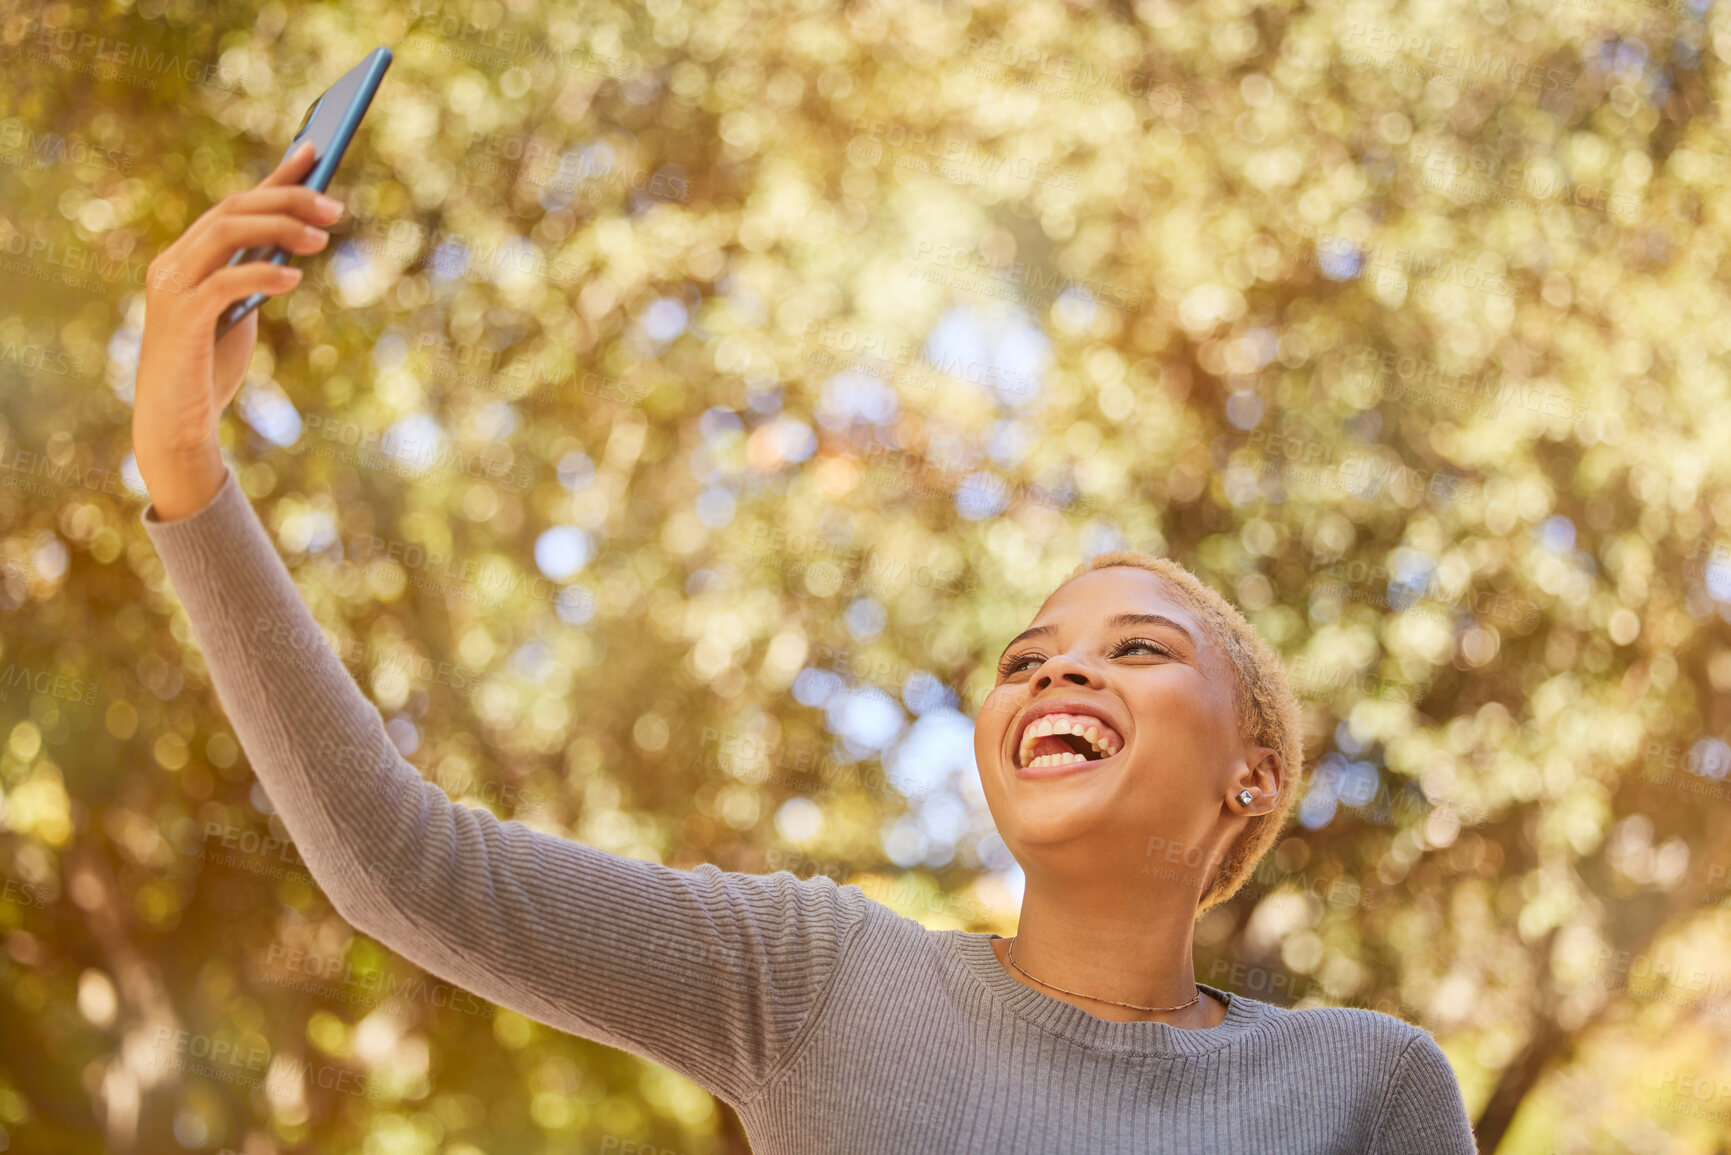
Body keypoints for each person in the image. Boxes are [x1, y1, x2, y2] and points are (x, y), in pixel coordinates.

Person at [132, 143, 1478, 1153]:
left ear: (1254, 773)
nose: (1060, 672)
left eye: (1137, 649)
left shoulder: (1368, 1086)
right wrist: (186, 469)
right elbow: (402, 864)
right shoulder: (815, 979)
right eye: (1027, 658)